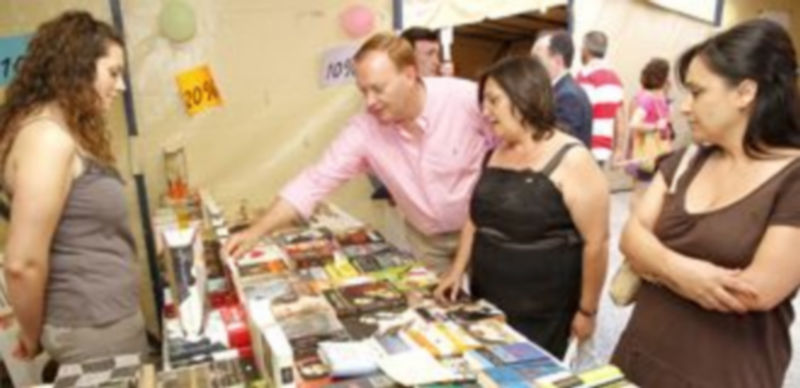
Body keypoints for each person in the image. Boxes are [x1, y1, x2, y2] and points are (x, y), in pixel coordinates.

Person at [612, 19, 800, 388]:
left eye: (697, 93)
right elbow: (630, 237)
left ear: (745, 92)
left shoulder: (792, 178)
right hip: (640, 357)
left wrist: (653, 261)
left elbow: (754, 291)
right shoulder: (686, 160)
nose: (684, 107)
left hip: (725, 375)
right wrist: (683, 272)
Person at [224, 33, 492, 275]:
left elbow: (515, 150)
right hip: (425, 241)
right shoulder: (364, 129)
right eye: (363, 91)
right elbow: (314, 181)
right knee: (445, 312)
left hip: (484, 233)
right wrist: (256, 231)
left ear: (409, 75)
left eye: (378, 89)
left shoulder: (466, 100)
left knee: (494, 311)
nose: (370, 102)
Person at [434, 56, 609, 358]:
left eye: (493, 100)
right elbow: (476, 218)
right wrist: (456, 269)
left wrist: (587, 311)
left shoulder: (572, 158)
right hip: (488, 296)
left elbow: (597, 243)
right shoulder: (495, 153)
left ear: (524, 94)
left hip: (544, 311)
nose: (485, 112)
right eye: (483, 102)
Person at [0, 11, 147, 363]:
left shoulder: (57, 131)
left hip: (103, 321)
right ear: (78, 68)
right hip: (92, 329)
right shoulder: (47, 140)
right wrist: (32, 336)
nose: (121, 85)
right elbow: (22, 264)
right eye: (113, 72)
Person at [531, 30, 593, 149]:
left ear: (558, 61)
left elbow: (558, 146)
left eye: (537, 60)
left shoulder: (568, 97)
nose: (532, 66)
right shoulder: (561, 91)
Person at [624, 58, 672, 206]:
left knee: (649, 191)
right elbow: (634, 123)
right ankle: (635, 221)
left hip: (657, 152)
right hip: (647, 152)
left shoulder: (660, 99)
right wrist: (656, 126)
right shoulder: (648, 99)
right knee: (641, 191)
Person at [575, 31, 625, 165]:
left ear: (585, 50)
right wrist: (618, 149)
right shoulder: (615, 79)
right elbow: (619, 117)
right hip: (603, 149)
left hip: (583, 147)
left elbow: (579, 113)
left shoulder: (584, 76)